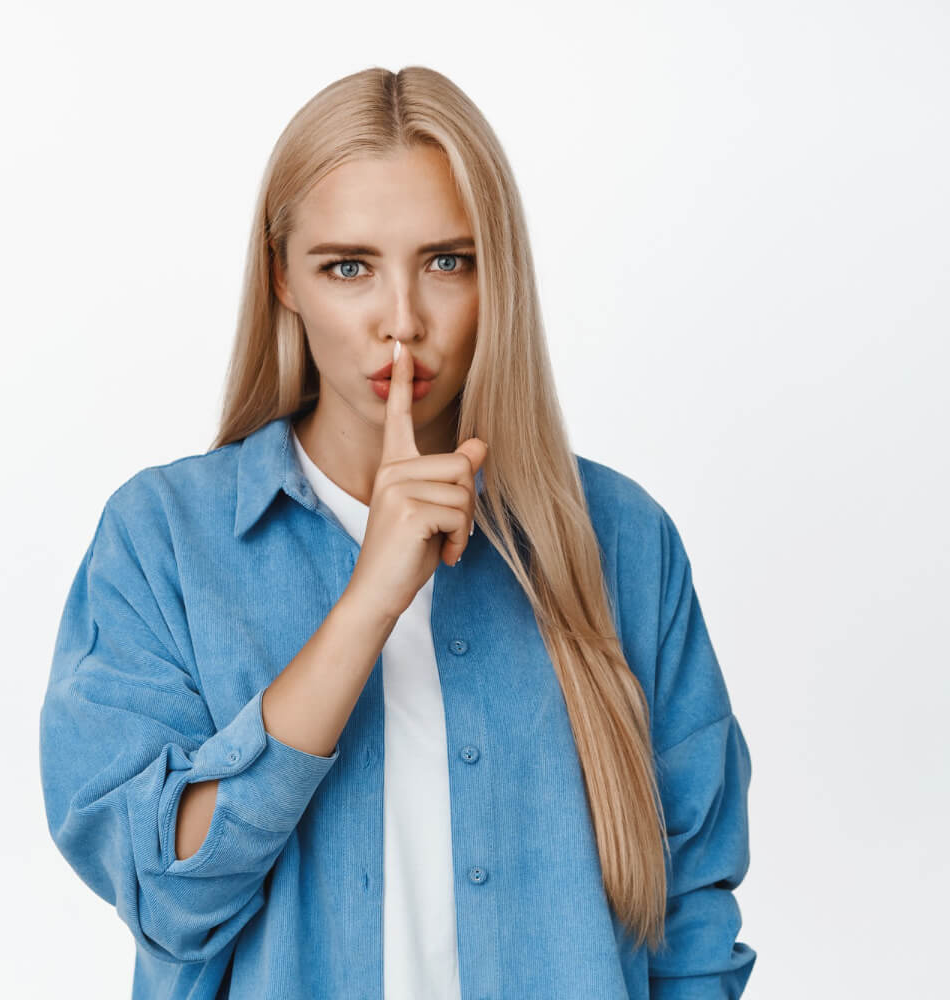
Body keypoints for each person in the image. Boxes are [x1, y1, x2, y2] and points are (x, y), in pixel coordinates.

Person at [39, 65, 756, 1000]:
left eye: (447, 262)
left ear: (497, 275)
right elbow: (164, 892)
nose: (403, 323)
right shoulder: (163, 539)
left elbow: (693, 919)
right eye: (349, 267)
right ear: (283, 282)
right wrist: (371, 596)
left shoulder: (622, 539)